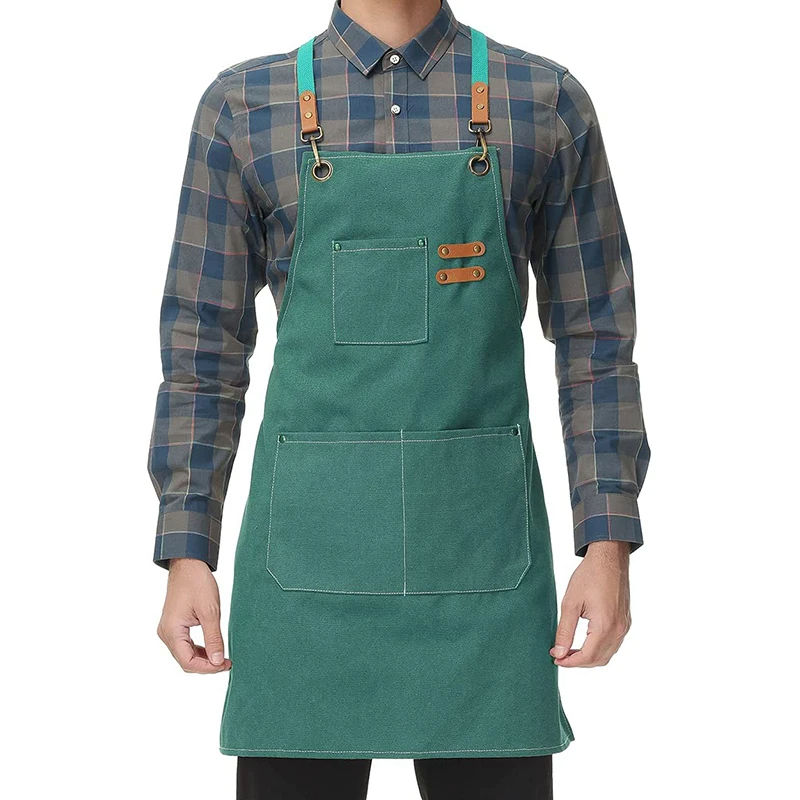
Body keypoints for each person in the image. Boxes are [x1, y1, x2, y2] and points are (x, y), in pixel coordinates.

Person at [147, 1, 651, 797]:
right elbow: (202, 354)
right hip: (305, 570)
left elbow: (597, 343)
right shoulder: (243, 107)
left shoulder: (544, 100)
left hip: (482, 571)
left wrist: (608, 541)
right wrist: (186, 549)